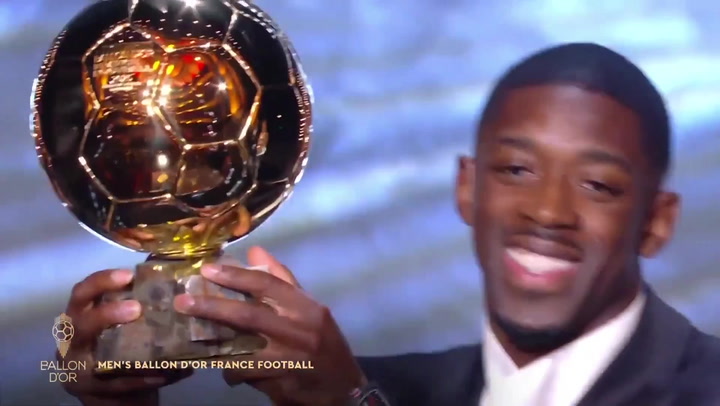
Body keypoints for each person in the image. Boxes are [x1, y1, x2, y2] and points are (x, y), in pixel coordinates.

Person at [58, 42, 720, 406]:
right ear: (468, 188)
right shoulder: (388, 388)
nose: (547, 211)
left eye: (598, 185)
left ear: (656, 221)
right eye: (516, 170)